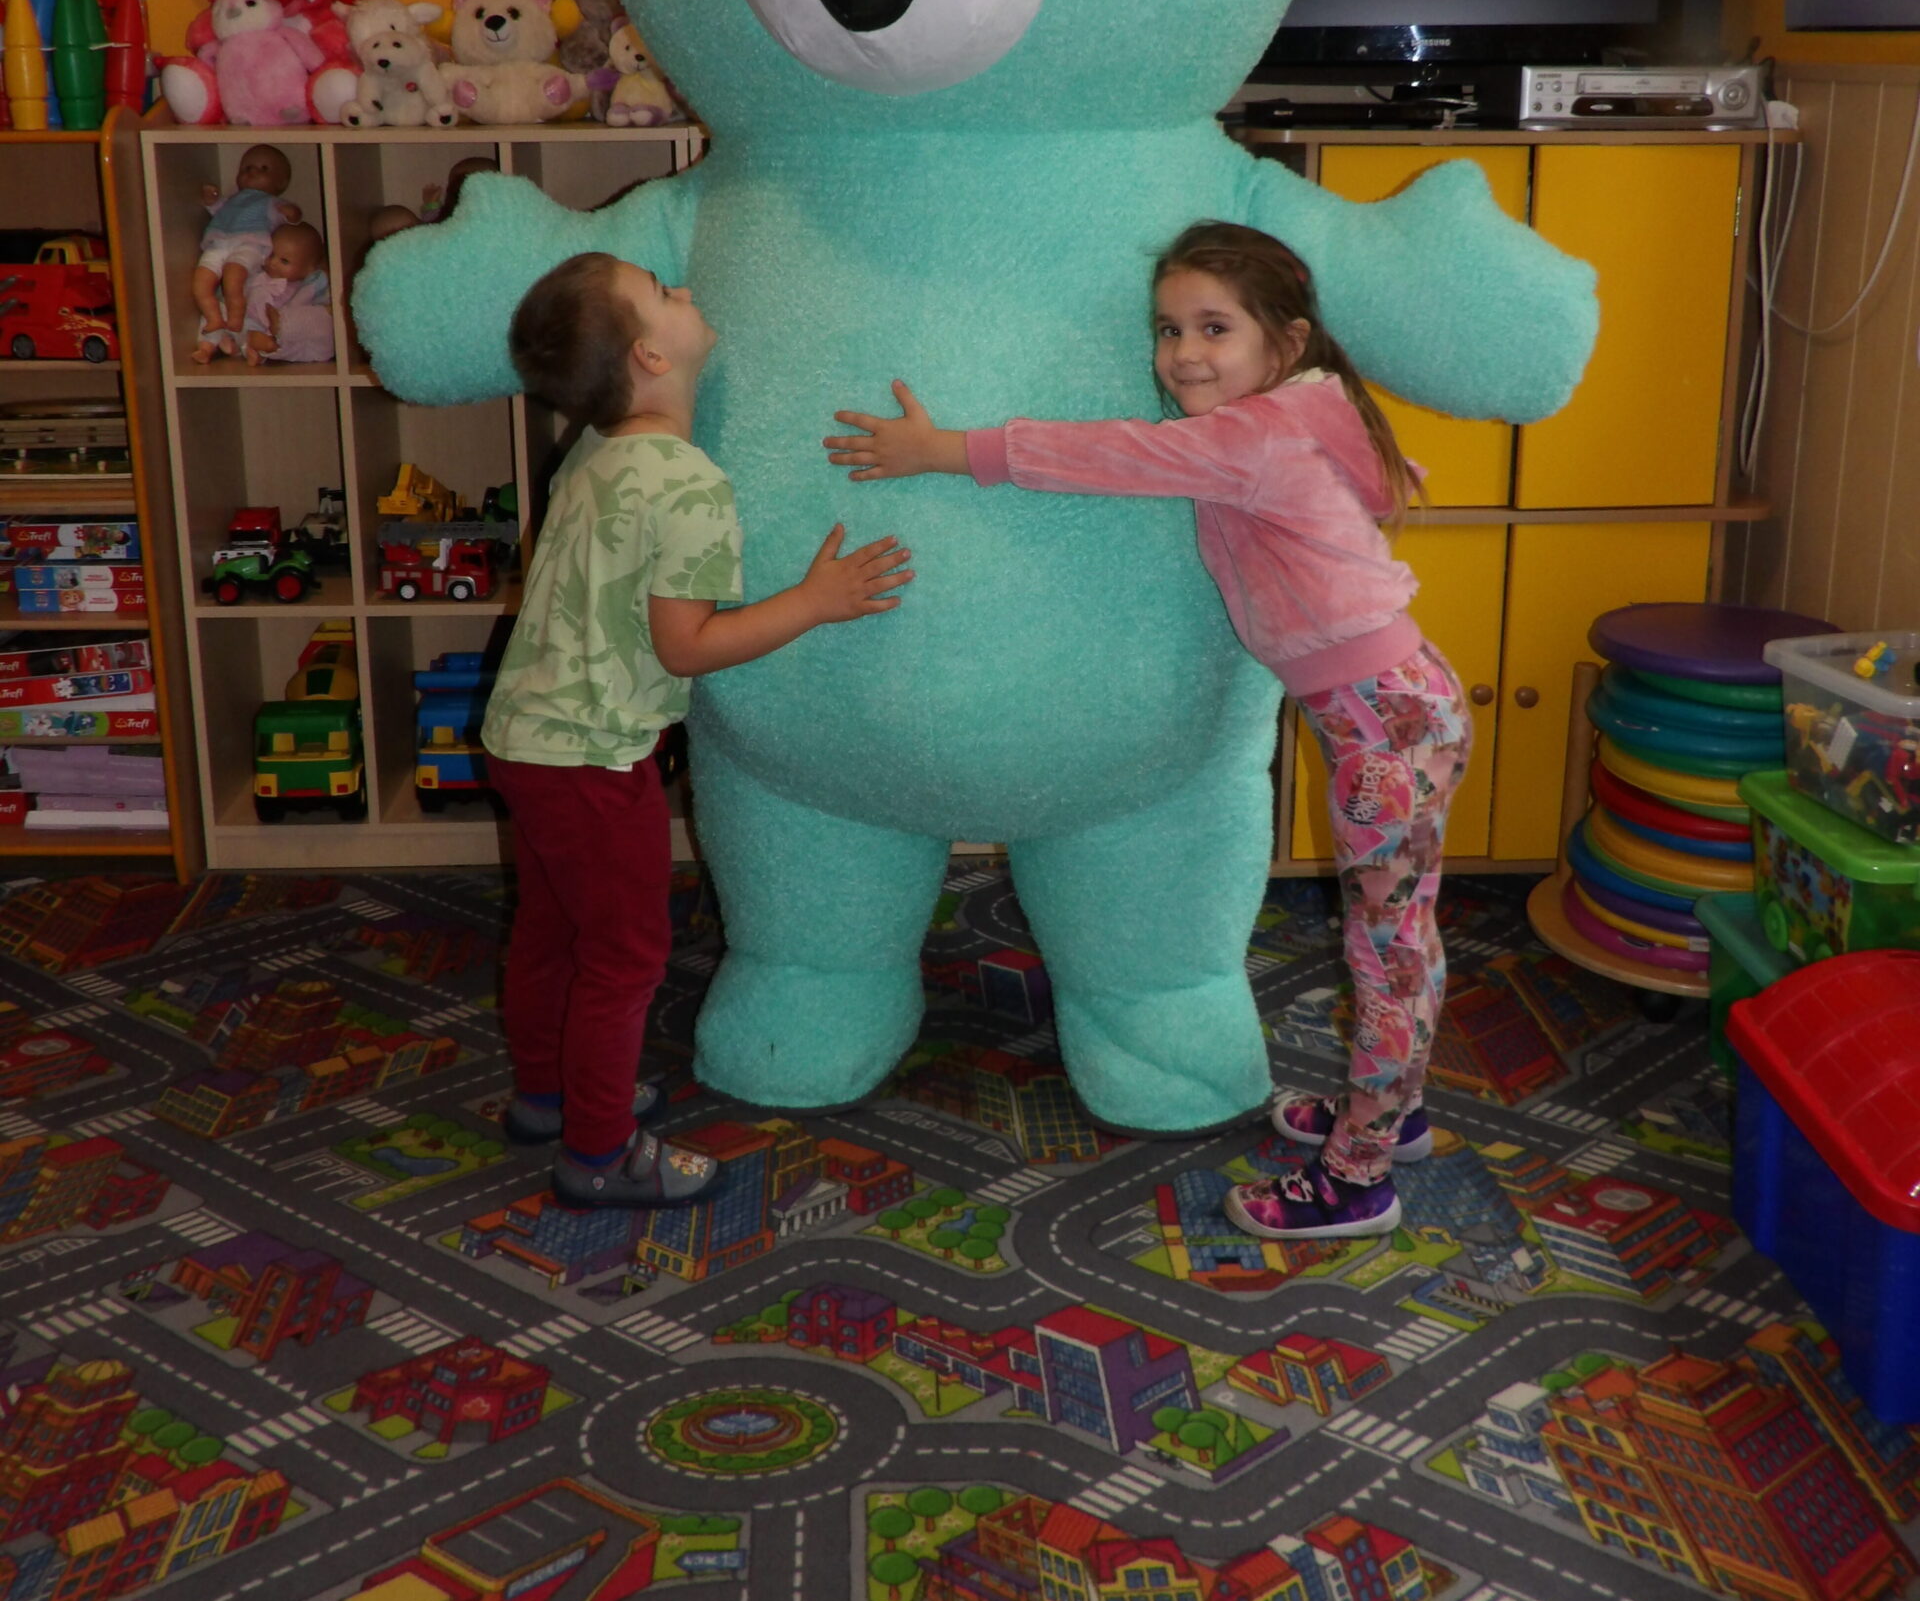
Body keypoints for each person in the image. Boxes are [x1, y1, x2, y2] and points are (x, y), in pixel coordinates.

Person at [825, 219, 1468, 1241]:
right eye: (1169, 329)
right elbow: (1382, 478)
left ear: (1286, 342)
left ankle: (1360, 1176)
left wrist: (944, 450)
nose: (1184, 354)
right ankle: (1393, 1111)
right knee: (1401, 933)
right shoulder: (1304, 407)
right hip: (1396, 701)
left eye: (1215, 328)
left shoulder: (1253, 434)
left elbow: (1110, 454)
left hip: (1382, 717)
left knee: (1387, 948)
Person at [485, 250, 913, 1210]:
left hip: (524, 736)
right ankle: (600, 1152)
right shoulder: (686, 481)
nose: (684, 291)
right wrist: (814, 601)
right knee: (625, 956)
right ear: (649, 355)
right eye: (660, 292)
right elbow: (686, 646)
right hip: (595, 755)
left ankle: (548, 1096)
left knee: (552, 930)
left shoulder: (592, 451)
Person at [192, 142, 300, 357]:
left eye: (263, 169)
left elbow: (293, 218)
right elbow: (215, 207)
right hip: (219, 244)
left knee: (233, 276)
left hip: (250, 244)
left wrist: (292, 212)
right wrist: (210, 199)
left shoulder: (271, 203)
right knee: (200, 282)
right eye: (246, 168)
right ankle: (214, 318)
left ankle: (236, 315)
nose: (252, 171)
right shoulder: (232, 201)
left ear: (281, 182)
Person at [242, 220, 332, 366]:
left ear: (309, 269)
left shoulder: (306, 288)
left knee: (315, 333)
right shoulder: (259, 277)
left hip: (294, 338)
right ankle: (256, 348)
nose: (273, 263)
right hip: (257, 327)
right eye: (271, 254)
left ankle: (268, 346)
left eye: (284, 261)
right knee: (246, 331)